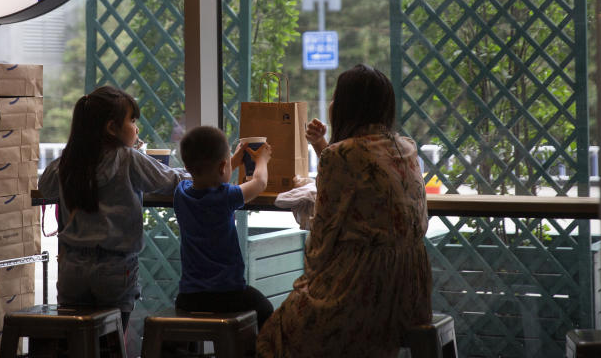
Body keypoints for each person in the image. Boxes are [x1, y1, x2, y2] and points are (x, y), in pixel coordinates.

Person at [257, 64, 432, 358]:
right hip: (412, 291)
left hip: (363, 289)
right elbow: (364, 176)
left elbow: (323, 240)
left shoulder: (340, 156)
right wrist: (322, 145)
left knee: (276, 333)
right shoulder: (406, 147)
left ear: (346, 105)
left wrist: (309, 285)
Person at [38, 86, 188, 330]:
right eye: (131, 120)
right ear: (111, 128)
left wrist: (72, 158)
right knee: (112, 342)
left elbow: (45, 187)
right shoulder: (128, 158)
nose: (136, 128)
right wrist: (203, 175)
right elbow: (170, 181)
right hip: (115, 269)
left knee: (77, 340)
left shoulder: (69, 162)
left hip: (71, 269)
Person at [173, 126, 275, 329]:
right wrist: (261, 159)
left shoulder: (181, 193)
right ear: (222, 167)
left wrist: (233, 159)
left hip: (188, 296)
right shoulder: (226, 196)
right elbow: (260, 182)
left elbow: (211, 175)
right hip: (228, 294)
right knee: (267, 311)